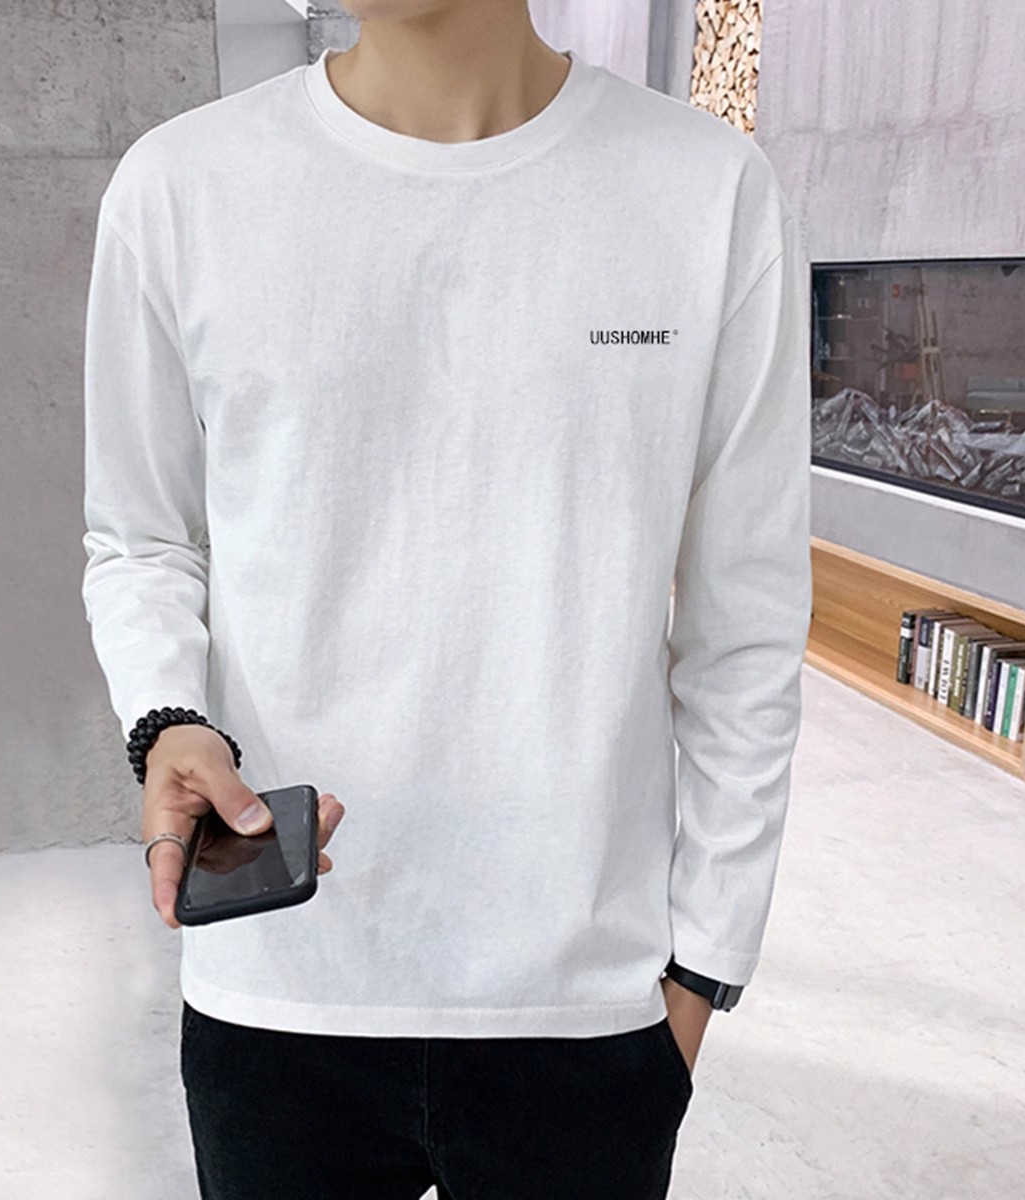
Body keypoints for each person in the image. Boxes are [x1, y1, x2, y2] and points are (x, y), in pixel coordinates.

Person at [80, 0, 812, 1195]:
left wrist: (702, 975)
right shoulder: (181, 188)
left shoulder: (709, 192)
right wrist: (167, 715)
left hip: (590, 1007)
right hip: (281, 988)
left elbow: (747, 625)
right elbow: (141, 536)